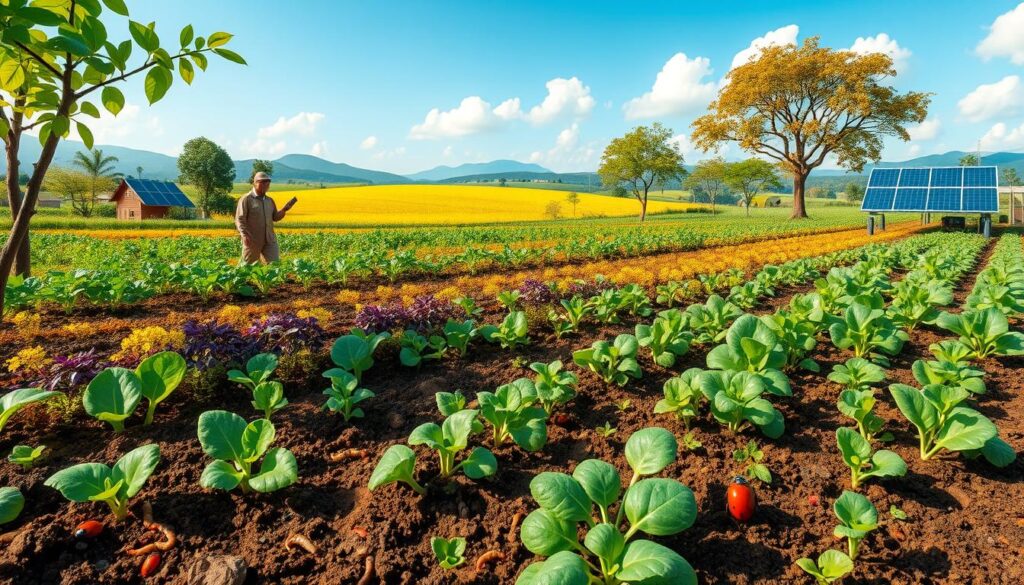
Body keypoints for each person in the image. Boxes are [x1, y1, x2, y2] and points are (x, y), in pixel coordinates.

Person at [235, 171, 296, 264]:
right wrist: (244, 235)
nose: (266, 184)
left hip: (270, 239)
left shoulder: (269, 201)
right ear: (254, 183)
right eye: (262, 182)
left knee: (275, 265)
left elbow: (275, 217)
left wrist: (284, 210)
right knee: (248, 267)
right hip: (252, 240)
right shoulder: (246, 199)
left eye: (267, 182)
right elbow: (240, 219)